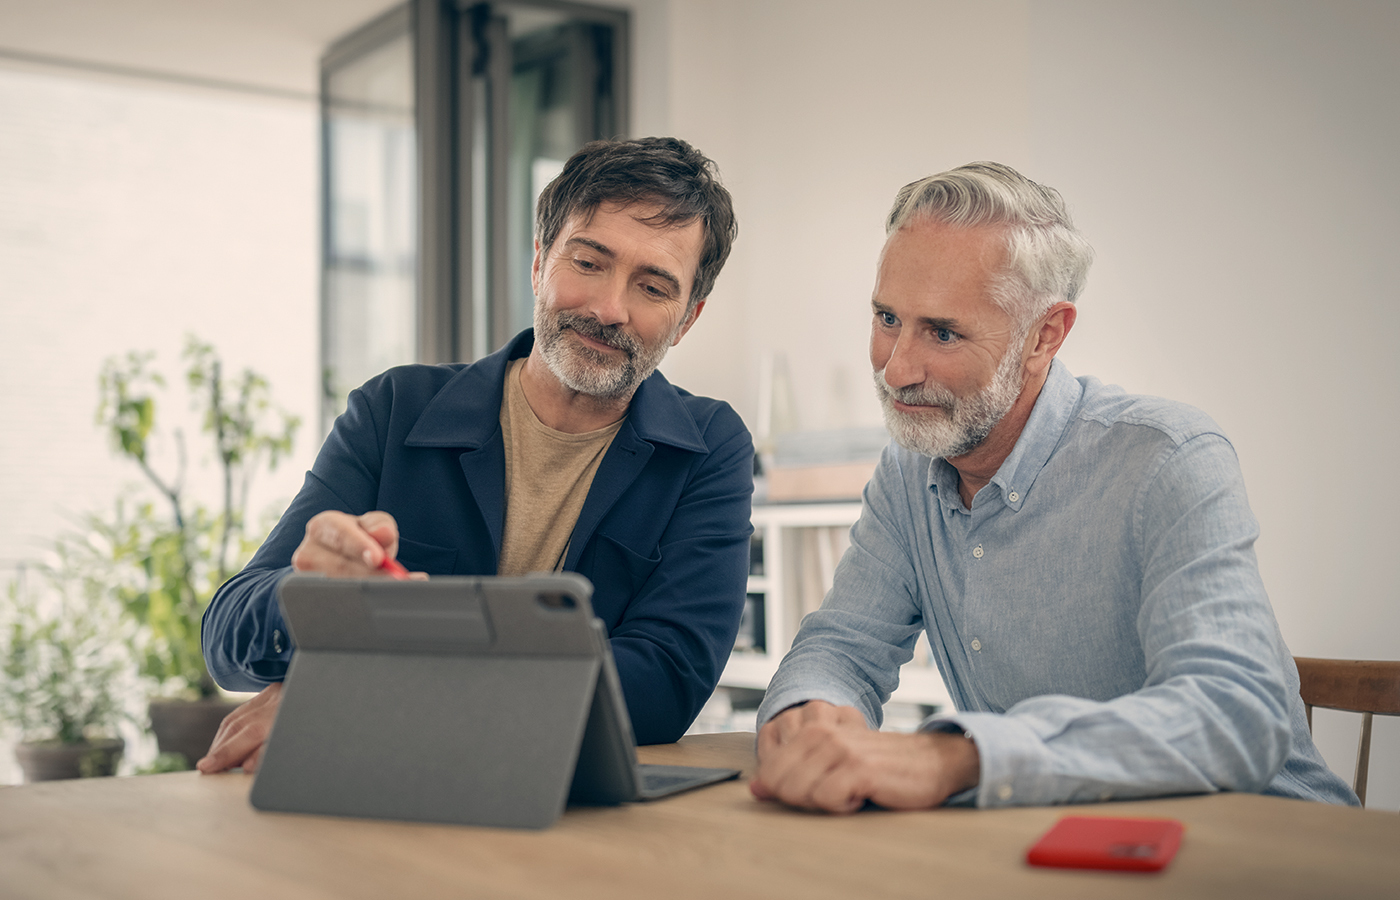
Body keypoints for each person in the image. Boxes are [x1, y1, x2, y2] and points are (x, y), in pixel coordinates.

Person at [750, 162, 1357, 811]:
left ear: (1044, 336)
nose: (896, 369)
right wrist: (810, 713)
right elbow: (842, 647)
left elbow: (1235, 715)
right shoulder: (907, 472)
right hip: (1051, 842)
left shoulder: (1169, 458)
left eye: (943, 332)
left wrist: (960, 757)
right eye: (887, 318)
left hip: (1266, 839)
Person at [198, 136, 751, 773]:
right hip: (378, 788)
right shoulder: (393, 409)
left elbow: (664, 684)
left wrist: (368, 693)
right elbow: (227, 638)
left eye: (652, 288)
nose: (609, 309)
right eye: (587, 262)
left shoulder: (709, 448)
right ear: (540, 262)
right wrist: (311, 596)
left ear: (687, 319)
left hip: (571, 805)